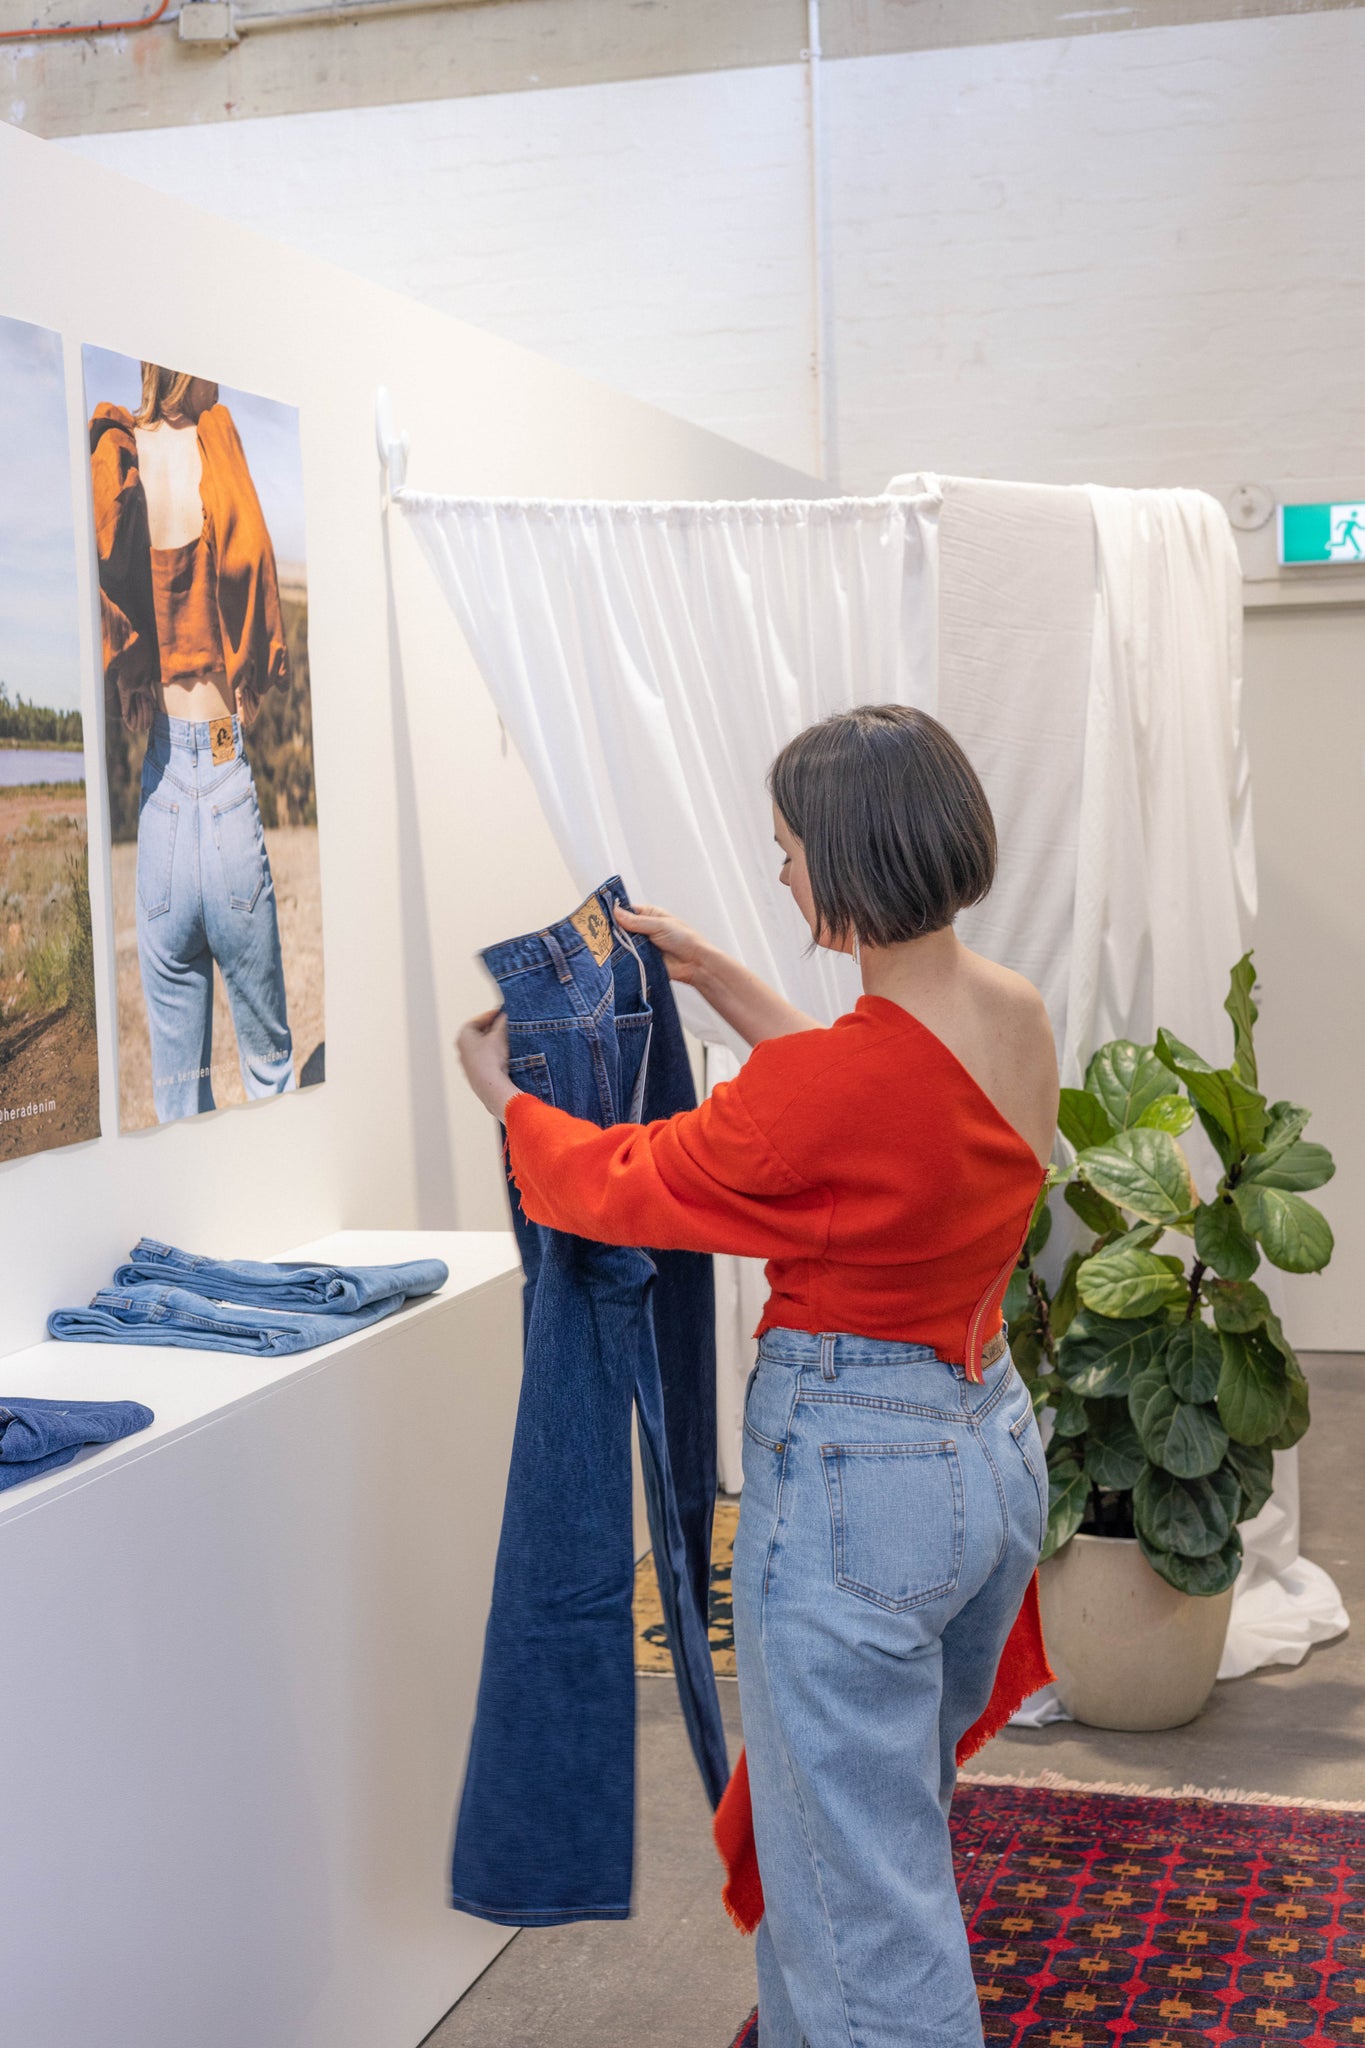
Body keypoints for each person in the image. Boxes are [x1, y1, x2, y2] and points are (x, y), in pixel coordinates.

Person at [456, 704, 1058, 2048]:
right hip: (987, 1456)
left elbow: (619, 1185)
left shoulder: (828, 1094)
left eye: (788, 849)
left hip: (861, 1490)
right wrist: (718, 973)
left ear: (846, 865)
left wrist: (506, 1096)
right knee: (871, 1829)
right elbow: (885, 1099)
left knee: (859, 1911)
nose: (780, 871)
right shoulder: (1007, 1016)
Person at [91, 364, 295, 1123]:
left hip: (163, 798)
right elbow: (250, 558)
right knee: (271, 1077)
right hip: (223, 768)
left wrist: (136, 665)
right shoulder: (215, 438)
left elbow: (113, 575)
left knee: (178, 1101)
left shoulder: (120, 456)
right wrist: (255, 656)